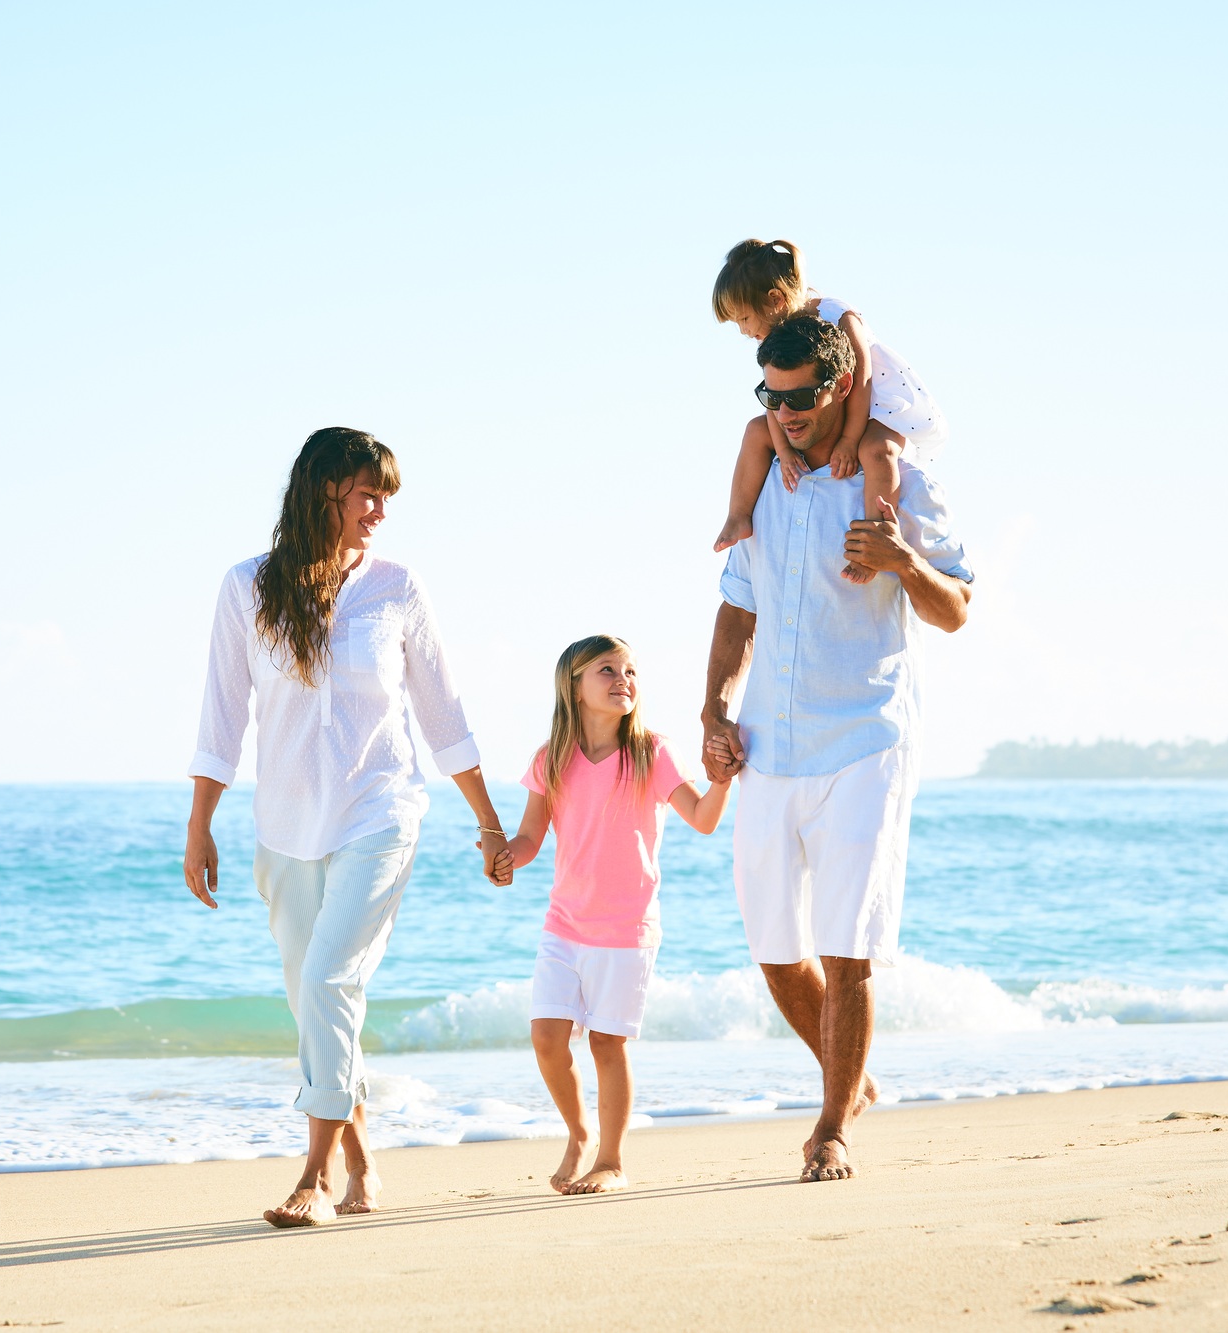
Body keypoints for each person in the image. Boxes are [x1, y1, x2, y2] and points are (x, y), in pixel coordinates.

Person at [183, 426, 510, 1228]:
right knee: (315, 1001)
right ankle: (363, 1159)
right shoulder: (247, 587)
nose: (379, 511)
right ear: (323, 490)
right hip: (286, 825)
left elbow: (443, 713)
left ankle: (314, 1176)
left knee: (330, 982)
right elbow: (222, 716)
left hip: (381, 811)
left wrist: (491, 825)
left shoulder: (398, 587)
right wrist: (200, 825)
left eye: (386, 497)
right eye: (368, 493)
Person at [703, 312, 974, 1183]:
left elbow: (957, 608)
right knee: (778, 952)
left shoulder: (894, 481)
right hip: (770, 749)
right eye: (770, 398)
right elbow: (738, 605)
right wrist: (713, 705)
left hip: (865, 738)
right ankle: (851, 1080)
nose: (785, 414)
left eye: (802, 398)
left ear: (841, 388)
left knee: (849, 946)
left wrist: (901, 560)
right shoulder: (765, 487)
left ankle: (831, 1129)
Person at [491, 635, 734, 1195]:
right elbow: (530, 836)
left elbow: (701, 818)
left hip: (627, 931)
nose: (623, 679)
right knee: (547, 1039)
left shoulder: (650, 751)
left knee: (606, 1045)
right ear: (574, 686)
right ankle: (578, 1135)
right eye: (607, 670)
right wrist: (509, 858)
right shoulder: (551, 757)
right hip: (565, 925)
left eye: (629, 671)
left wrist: (722, 781)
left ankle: (612, 1159)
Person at [709, 238, 949, 582]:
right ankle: (738, 515)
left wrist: (851, 440)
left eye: (744, 318)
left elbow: (862, 378)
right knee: (754, 431)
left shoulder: (835, 313)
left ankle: (874, 542)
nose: (745, 331)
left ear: (775, 300)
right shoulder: (779, 338)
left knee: (876, 451)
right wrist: (784, 452)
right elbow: (777, 401)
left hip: (879, 404)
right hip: (822, 405)